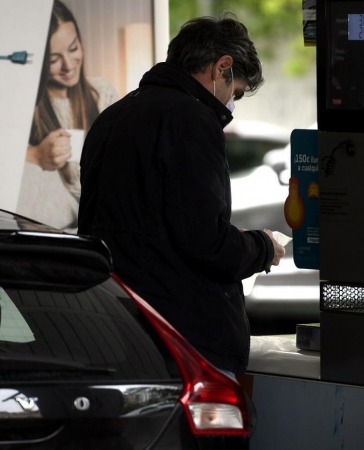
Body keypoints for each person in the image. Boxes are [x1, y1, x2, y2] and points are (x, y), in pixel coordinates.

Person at [78, 14, 286, 379]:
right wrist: (264, 248)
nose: (231, 104)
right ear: (222, 67)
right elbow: (205, 242)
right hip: (183, 339)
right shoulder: (191, 119)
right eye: (234, 92)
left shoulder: (112, 117)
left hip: (115, 326)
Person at [17, 0, 119, 233]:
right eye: (53, 59)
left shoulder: (100, 93)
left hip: (101, 215)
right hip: (51, 223)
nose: (68, 65)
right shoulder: (27, 105)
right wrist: (35, 156)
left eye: (73, 48)